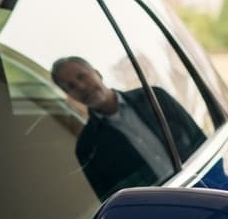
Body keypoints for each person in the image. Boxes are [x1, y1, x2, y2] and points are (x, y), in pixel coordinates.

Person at [50, 55, 205, 199]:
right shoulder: (87, 147)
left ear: (98, 73)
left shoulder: (154, 97)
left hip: (204, 183)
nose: (81, 86)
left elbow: (199, 138)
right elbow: (113, 199)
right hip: (161, 207)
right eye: (70, 86)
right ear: (69, 95)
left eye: (81, 76)